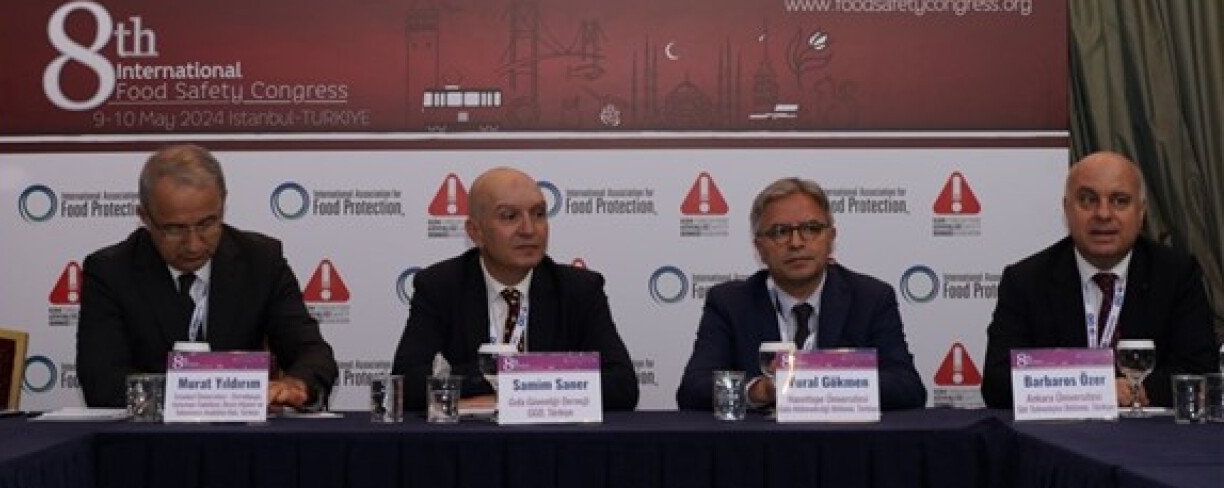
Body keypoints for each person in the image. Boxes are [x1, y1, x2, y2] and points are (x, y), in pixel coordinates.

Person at [76, 144, 337, 409]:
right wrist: (217, 395)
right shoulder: (110, 273)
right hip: (151, 434)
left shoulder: (261, 261)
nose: (194, 245)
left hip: (242, 433)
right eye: (175, 229)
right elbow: (103, 384)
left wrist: (297, 385)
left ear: (222, 205)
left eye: (206, 224)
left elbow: (312, 353)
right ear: (145, 217)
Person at [981, 151, 1218, 409]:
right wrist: (1096, 390)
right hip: (1060, 433)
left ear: (1141, 212)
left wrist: (1134, 391)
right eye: (1087, 200)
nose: (1103, 214)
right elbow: (997, 382)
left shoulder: (1176, 275)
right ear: (1066, 210)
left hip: (1147, 432)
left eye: (1119, 201)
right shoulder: (1026, 281)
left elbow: (1199, 372)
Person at [391, 166, 640, 411]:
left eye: (538, 214)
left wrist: (516, 386)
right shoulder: (440, 286)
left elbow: (622, 386)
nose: (529, 230)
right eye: (509, 216)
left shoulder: (579, 290)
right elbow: (406, 385)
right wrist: (502, 374)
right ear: (476, 232)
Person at [676, 177, 927, 411]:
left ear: (830, 239)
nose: (796, 243)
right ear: (760, 249)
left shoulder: (871, 298)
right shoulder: (730, 303)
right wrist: (759, 391)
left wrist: (821, 381)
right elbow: (693, 390)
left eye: (811, 228)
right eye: (780, 232)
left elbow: (908, 388)